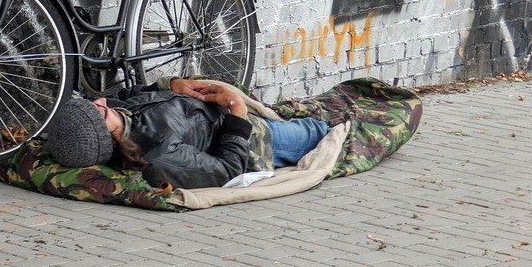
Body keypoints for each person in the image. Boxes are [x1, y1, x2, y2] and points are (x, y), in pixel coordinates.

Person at [43, 78, 330, 190]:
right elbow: (227, 170)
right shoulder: (160, 155)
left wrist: (172, 84)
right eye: (99, 109)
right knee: (322, 129)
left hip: (216, 106)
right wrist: (238, 114)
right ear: (105, 133)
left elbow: (130, 93)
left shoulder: (119, 114)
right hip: (256, 138)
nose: (103, 101)